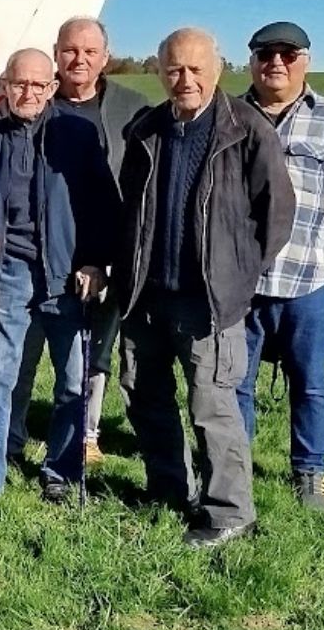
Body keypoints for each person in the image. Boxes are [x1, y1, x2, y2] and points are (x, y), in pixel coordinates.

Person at [115, 28, 295, 548]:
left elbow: (275, 213)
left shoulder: (247, 129)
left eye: (196, 69)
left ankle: (229, 512)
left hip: (208, 303)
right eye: (174, 69)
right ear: (159, 71)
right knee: (146, 398)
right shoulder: (146, 128)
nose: (185, 79)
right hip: (146, 297)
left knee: (212, 407)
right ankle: (170, 490)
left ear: (218, 69)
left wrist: (237, 270)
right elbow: (131, 205)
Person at [0, 48, 119, 510]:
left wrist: (97, 262)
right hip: (10, 272)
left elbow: (104, 206)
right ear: (4, 84)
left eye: (40, 85)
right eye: (20, 84)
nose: (30, 93)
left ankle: (61, 472)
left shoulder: (78, 134)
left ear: (53, 87)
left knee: (74, 382)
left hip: (68, 275)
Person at [237, 21, 324, 510]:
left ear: (305, 61)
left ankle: (311, 473)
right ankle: (235, 467)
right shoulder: (231, 117)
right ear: (251, 61)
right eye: (265, 54)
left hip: (307, 280)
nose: (276, 62)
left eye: (287, 54)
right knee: (236, 382)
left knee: (310, 383)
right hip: (242, 283)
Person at [48, 17, 152, 468]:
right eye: (71, 50)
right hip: (52, 252)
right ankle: (18, 433)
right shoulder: (37, 103)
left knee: (101, 347)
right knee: (46, 350)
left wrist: (114, 256)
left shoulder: (134, 109)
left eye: (90, 52)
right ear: (57, 53)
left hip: (115, 252)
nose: (79, 60)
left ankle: (89, 433)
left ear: (105, 58)